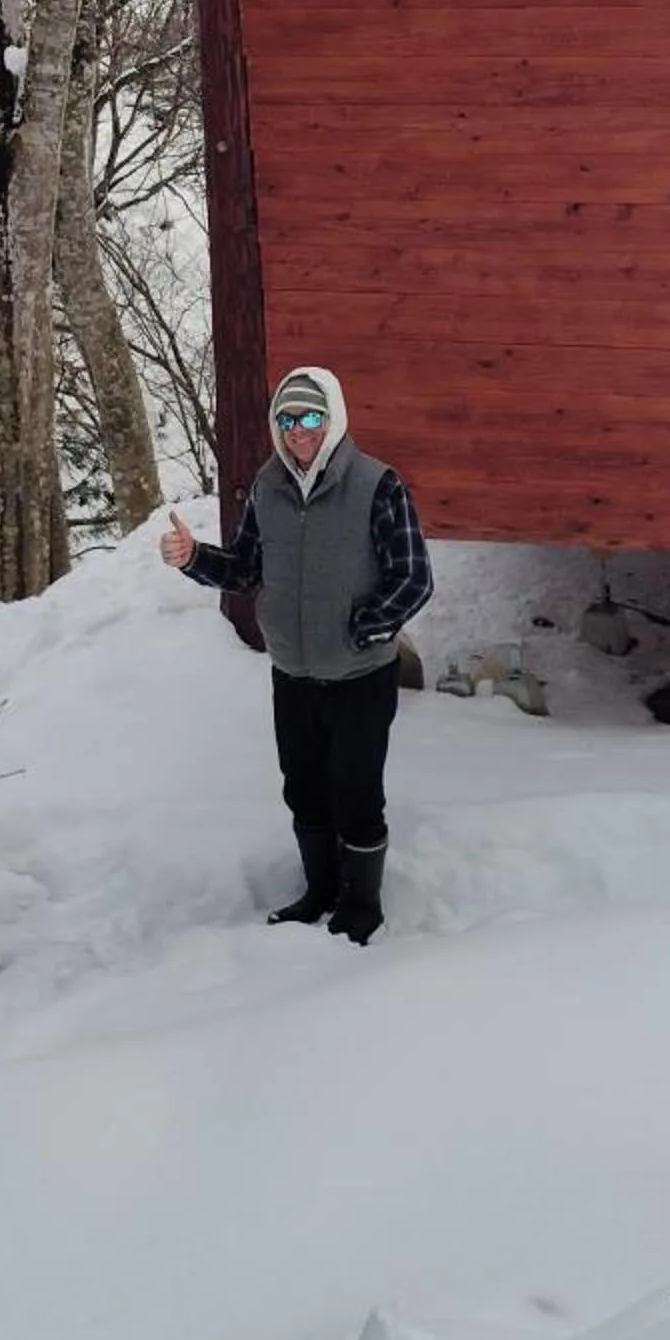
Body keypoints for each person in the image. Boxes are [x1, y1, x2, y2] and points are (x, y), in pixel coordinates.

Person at [161, 366, 432, 946]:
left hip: (360, 675)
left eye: (311, 417)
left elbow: (413, 578)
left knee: (356, 791)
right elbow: (246, 568)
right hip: (294, 675)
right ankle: (320, 892)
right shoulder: (269, 488)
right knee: (304, 788)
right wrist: (192, 558)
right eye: (287, 420)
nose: (299, 431)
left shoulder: (376, 485)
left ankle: (361, 909)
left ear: (332, 420)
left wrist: (365, 630)